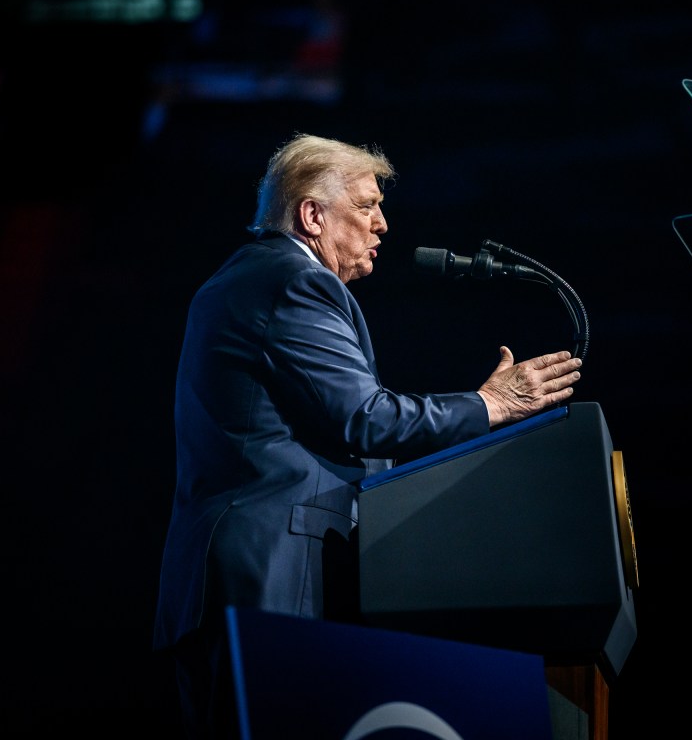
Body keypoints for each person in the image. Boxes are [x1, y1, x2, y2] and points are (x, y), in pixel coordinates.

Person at [152, 132, 583, 738]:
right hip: (269, 570)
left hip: (231, 573)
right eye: (365, 206)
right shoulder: (292, 281)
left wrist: (467, 435)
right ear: (311, 214)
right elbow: (368, 419)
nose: (382, 224)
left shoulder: (248, 279)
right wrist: (489, 406)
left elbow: (353, 441)